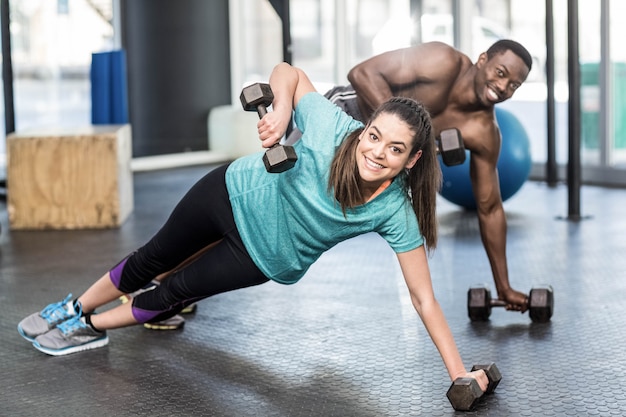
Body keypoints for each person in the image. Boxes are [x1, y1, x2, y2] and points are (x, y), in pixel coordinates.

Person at [17, 62, 489, 396]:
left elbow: (423, 297)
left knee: (173, 293)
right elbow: (288, 71)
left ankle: (88, 326)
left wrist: (457, 374)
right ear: (364, 131)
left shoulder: (395, 212)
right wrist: (283, 109)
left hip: (263, 255)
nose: (376, 152)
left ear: (413, 159)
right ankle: (74, 304)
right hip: (231, 191)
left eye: (395, 149)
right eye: (374, 137)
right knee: (152, 258)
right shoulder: (331, 129)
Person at [288, 39, 533, 313]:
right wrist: (401, 131)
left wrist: (504, 287)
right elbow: (362, 73)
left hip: (374, 163)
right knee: (282, 177)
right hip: (346, 113)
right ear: (483, 59)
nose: (503, 87)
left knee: (298, 213)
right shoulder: (443, 61)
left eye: (514, 85)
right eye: (501, 73)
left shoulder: (484, 132)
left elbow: (489, 209)